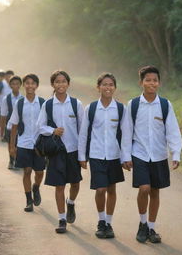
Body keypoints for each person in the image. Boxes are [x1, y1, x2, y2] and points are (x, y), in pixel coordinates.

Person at [121, 66, 182, 243]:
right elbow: (127, 132)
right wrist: (125, 156)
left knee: (155, 191)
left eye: (155, 80)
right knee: (144, 188)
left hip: (159, 155)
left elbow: (172, 130)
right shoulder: (133, 104)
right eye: (148, 80)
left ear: (159, 83)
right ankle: (142, 223)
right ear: (141, 83)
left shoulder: (165, 104)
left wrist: (176, 153)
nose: (151, 83)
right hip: (139, 154)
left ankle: (152, 228)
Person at [78, 73, 125, 239]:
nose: (108, 87)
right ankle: (101, 221)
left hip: (114, 155)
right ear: (98, 87)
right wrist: (82, 156)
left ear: (115, 88)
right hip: (96, 155)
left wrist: (125, 157)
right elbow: (83, 134)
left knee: (111, 189)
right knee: (100, 189)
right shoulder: (91, 108)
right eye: (104, 84)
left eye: (111, 84)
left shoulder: (120, 109)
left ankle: (109, 224)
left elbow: (125, 135)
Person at [37, 70, 84, 234]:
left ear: (68, 84)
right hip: (56, 151)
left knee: (75, 183)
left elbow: (83, 129)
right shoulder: (48, 105)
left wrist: (83, 154)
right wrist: (53, 130)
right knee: (59, 186)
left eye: (64, 81)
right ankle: (62, 218)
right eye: (57, 81)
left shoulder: (76, 104)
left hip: (73, 150)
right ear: (53, 85)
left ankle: (70, 202)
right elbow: (40, 126)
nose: (61, 84)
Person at [9, 74, 46, 212]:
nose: (30, 85)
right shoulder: (19, 103)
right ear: (24, 85)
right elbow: (14, 125)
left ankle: (36, 187)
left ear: (36, 85)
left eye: (33, 83)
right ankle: (28, 200)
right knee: (27, 171)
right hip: (23, 143)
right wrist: (12, 146)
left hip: (38, 144)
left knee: (40, 172)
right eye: (27, 83)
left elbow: (47, 124)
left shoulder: (43, 103)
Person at [0, 75, 23, 169]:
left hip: (21, 126)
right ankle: (11, 160)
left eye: (17, 84)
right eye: (13, 84)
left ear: (20, 85)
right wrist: (2, 129)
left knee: (19, 144)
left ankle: (17, 160)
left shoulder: (23, 98)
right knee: (10, 144)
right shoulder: (6, 99)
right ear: (10, 86)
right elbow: (3, 114)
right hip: (9, 126)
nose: (15, 86)